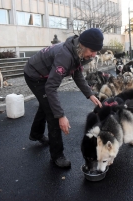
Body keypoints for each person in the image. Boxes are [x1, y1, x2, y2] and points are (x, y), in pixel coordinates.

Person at [23, 28, 103, 168]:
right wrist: (61, 116)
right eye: (92, 51)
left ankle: (36, 134)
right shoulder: (65, 56)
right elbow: (50, 87)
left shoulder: (77, 51)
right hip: (34, 75)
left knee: (46, 104)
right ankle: (57, 156)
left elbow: (77, 74)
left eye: (96, 51)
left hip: (44, 75)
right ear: (82, 46)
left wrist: (89, 94)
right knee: (53, 113)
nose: (94, 55)